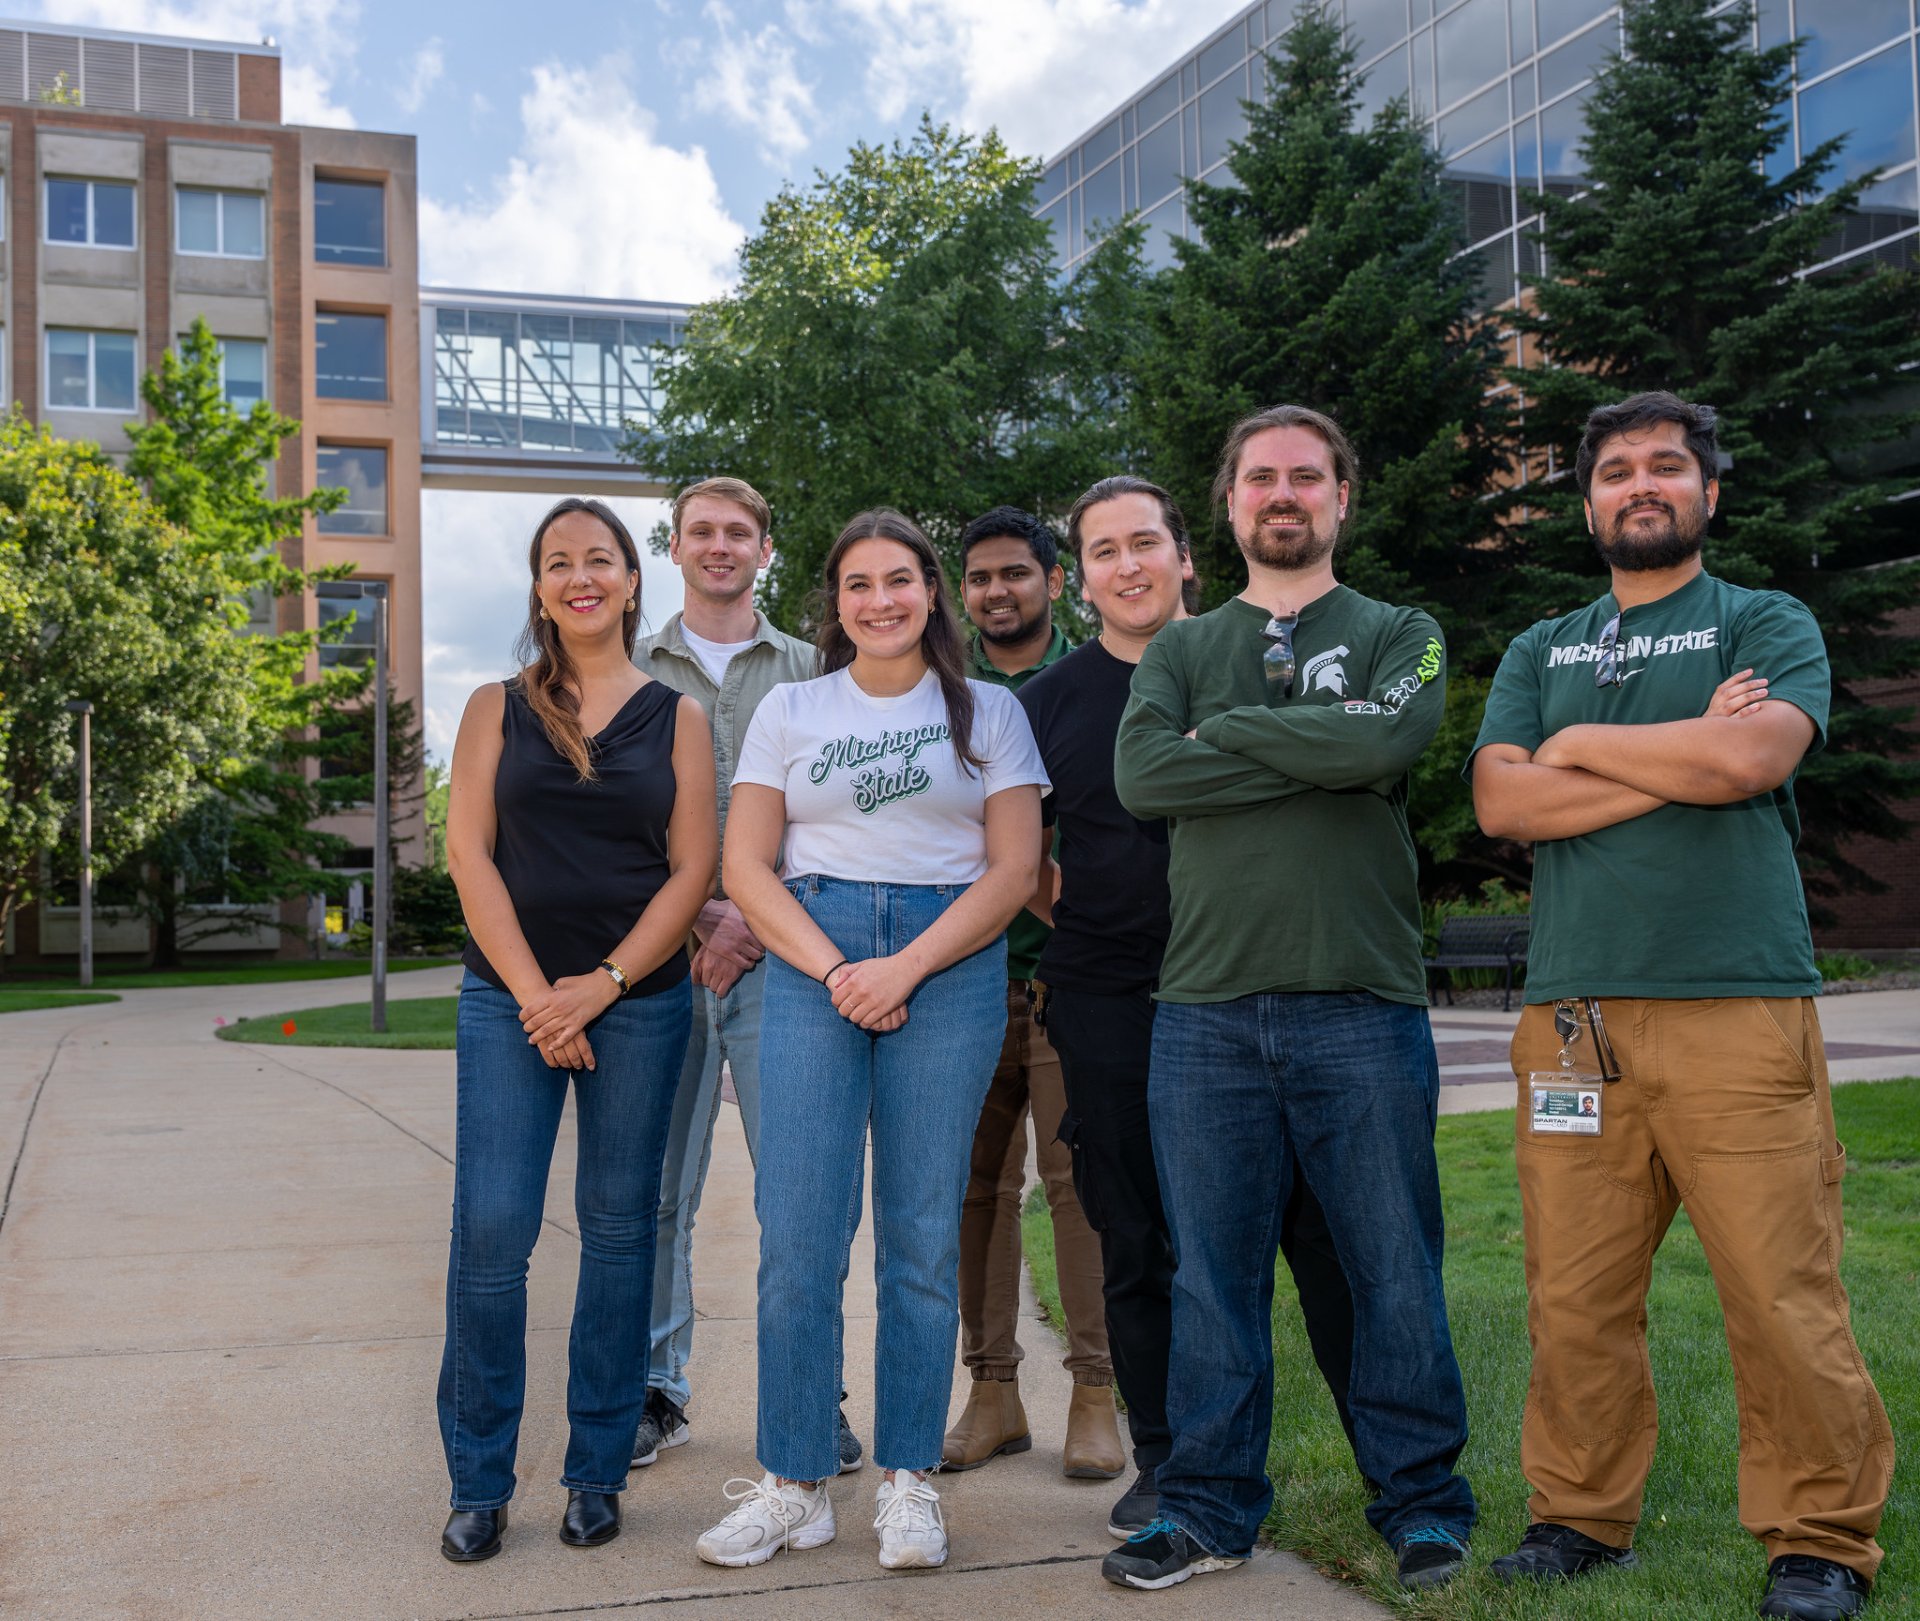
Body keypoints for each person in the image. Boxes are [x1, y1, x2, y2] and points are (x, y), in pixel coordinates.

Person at [1470, 391, 1893, 1620]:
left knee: (1778, 1285)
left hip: (1735, 1007)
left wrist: (1579, 748)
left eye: (1667, 466)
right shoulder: (1539, 644)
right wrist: (1671, 755)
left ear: (1710, 492)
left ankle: (1818, 1539)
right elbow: (1504, 805)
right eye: (1615, 470)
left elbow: (1750, 763)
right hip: (1570, 1022)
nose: (1639, 483)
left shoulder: (1764, 617)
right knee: (1573, 1291)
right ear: (1588, 502)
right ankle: (1579, 1515)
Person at [1107, 406, 1478, 1593]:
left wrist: (1241, 734)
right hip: (1204, 1011)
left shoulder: (1399, 631)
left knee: (1389, 1273)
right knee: (1213, 1282)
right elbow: (1142, 773)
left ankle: (1422, 1505)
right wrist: (1318, 738)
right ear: (1229, 503)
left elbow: (1387, 745)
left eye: (1305, 477)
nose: (1283, 493)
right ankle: (1209, 1511)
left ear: (1340, 499)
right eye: (1260, 476)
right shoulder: (1176, 647)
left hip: (1359, 1003)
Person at [694, 508, 1047, 1573]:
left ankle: (907, 1480)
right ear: (835, 603)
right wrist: (840, 968)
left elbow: (1013, 871)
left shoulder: (988, 711)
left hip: (946, 962)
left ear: (931, 593)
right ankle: (796, 1482)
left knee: (920, 1235)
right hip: (812, 956)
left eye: (900, 579)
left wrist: (905, 966)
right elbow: (746, 864)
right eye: (859, 584)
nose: (881, 599)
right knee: (798, 1233)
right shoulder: (793, 708)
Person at [1020, 474, 1363, 1543]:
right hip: (1112, 993)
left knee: (1318, 1230)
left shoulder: (1260, 655)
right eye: (1105, 552)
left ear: (1185, 557)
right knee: (1140, 1230)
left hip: (1260, 980)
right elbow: (1021, 852)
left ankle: (1387, 1466)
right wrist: (1072, 902)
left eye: (1145, 543)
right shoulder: (1049, 701)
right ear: (1082, 582)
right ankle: (1169, 1455)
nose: (1129, 565)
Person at [439, 498, 717, 1562]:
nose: (579, 577)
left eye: (598, 559)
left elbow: (693, 869)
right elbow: (471, 856)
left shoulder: (678, 717)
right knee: (493, 1234)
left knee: (618, 1233)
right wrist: (536, 997)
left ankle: (596, 1471)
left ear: (632, 581)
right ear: (540, 588)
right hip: (506, 1004)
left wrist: (598, 985)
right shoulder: (494, 709)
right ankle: (478, 1480)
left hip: (639, 1006)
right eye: (558, 563)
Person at [629, 477, 849, 1470]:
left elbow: (838, 821)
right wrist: (693, 917)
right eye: (700, 532)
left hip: (785, 964)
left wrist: (748, 916)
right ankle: (652, 1388)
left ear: (768, 549)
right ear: (673, 547)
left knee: (800, 1191)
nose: (719, 546)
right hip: (656, 970)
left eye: (739, 532)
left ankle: (815, 1396)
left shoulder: (819, 673)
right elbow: (608, 827)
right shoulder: (625, 672)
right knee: (654, 1190)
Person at [944, 506, 1124, 1480]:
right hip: (961, 983)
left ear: (1056, 583)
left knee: (1076, 1190)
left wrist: (1050, 906)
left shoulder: (1086, 688)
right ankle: (994, 1392)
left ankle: (1095, 1393)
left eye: (1015, 573)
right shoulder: (942, 695)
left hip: (1066, 978)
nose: (996, 591)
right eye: (978, 577)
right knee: (975, 1192)